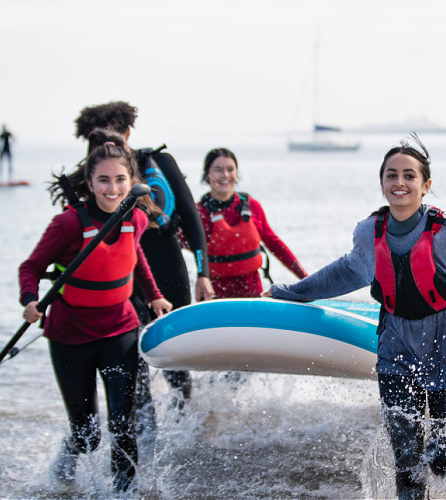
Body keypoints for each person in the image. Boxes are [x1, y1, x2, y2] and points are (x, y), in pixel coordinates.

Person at [264, 136, 446, 499]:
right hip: (396, 353)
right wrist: (287, 292)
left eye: (408, 175)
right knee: (407, 463)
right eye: (391, 175)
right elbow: (342, 274)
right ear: (382, 183)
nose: (399, 183)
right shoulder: (369, 233)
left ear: (426, 185)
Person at [19, 131, 173, 493]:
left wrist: (154, 296)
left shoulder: (135, 218)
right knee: (86, 434)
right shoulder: (68, 224)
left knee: (123, 422)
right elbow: (31, 267)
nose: (112, 188)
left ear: (132, 181)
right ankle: (66, 463)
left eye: (120, 179)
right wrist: (29, 300)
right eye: (103, 180)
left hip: (120, 330)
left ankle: (125, 492)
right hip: (70, 337)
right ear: (89, 182)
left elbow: (136, 259)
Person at [74, 101, 213, 431]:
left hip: (170, 274)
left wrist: (203, 272)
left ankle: (187, 430)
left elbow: (192, 222)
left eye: (113, 139)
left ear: (126, 133)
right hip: (127, 282)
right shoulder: (96, 179)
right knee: (133, 364)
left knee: (175, 361)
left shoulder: (159, 162)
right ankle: (147, 436)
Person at [196, 148, 308, 298]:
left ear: (237, 173)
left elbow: (275, 244)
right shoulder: (199, 214)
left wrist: (306, 280)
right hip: (214, 298)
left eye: (230, 169)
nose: (225, 175)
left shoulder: (252, 206)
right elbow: (176, 248)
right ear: (207, 175)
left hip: (253, 295)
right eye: (218, 169)